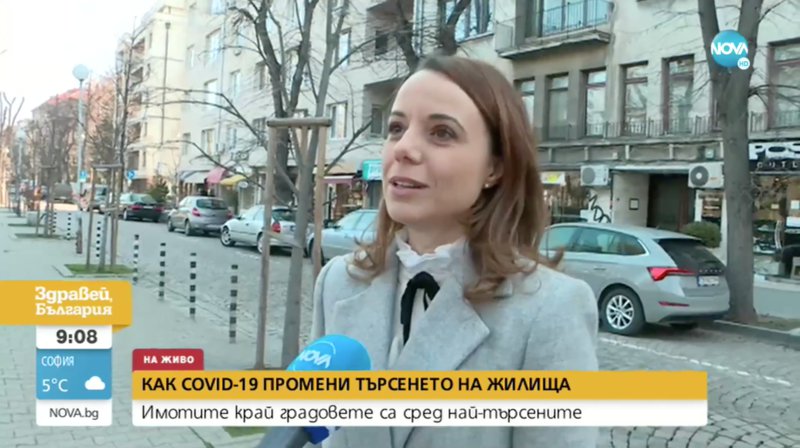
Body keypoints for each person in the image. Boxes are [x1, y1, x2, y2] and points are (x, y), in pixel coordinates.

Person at [309, 55, 599, 448]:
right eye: (396, 128)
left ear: (494, 167)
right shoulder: (338, 282)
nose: (404, 149)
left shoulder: (550, 309)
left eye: (442, 133)